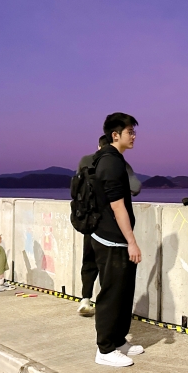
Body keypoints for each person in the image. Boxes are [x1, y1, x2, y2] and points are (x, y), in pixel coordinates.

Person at [91, 113, 143, 367]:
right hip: (112, 238)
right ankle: (105, 348)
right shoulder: (110, 163)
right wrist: (131, 241)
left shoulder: (109, 158)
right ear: (116, 135)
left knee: (123, 291)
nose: (133, 136)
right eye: (130, 132)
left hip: (112, 236)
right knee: (112, 292)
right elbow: (118, 206)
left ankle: (119, 340)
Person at [76, 135, 142, 317]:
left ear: (98, 145)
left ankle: (85, 299)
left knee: (88, 260)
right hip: (109, 226)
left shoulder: (85, 160)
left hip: (88, 222)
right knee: (111, 271)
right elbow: (136, 187)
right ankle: (107, 311)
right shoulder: (116, 163)